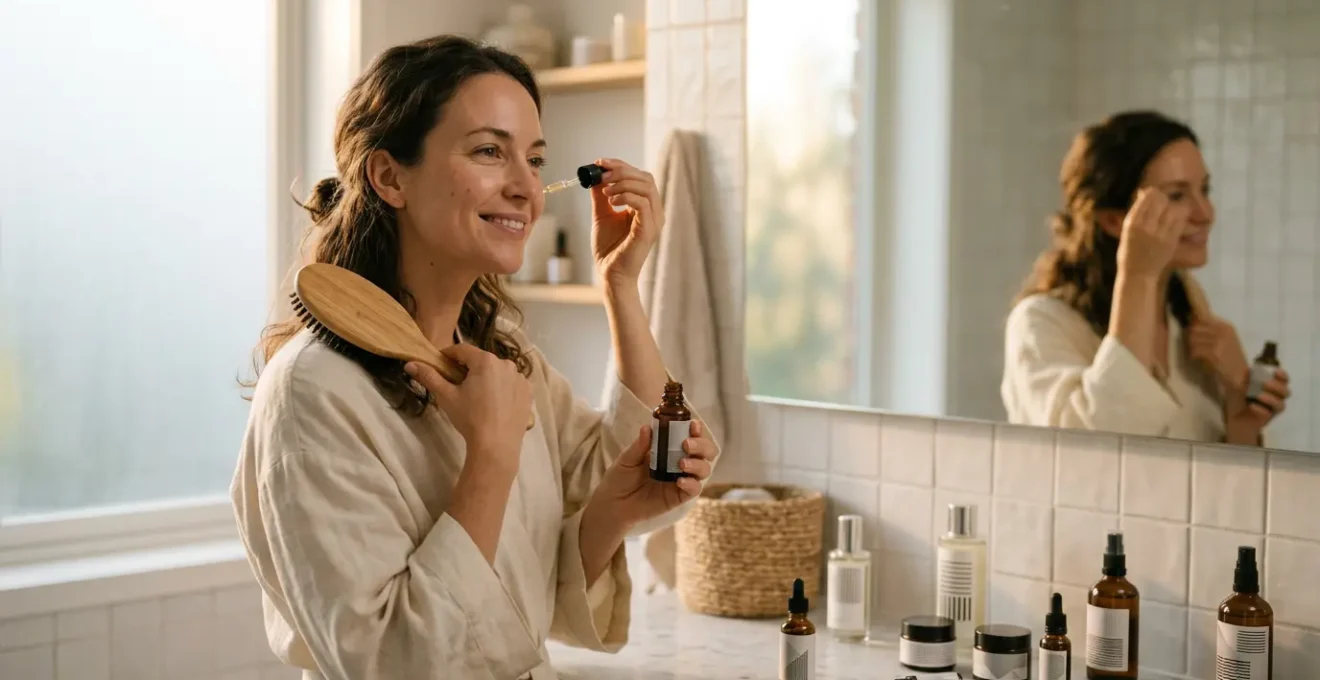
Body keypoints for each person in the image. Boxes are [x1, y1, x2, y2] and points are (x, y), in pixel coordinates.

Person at [230, 35, 719, 680]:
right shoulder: (312, 395)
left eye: (535, 157)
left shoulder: (501, 363)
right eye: (490, 151)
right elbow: (390, 662)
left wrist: (620, 285)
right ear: (389, 176)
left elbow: (619, 479)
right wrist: (489, 458)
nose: (526, 187)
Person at [1002, 110, 1289, 445]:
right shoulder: (1041, 324)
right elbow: (1102, 452)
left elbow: (1226, 486)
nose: (1205, 214)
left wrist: (1241, 413)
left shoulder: (1191, 321)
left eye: (1205, 190)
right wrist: (1138, 274)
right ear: (1113, 220)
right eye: (1177, 195)